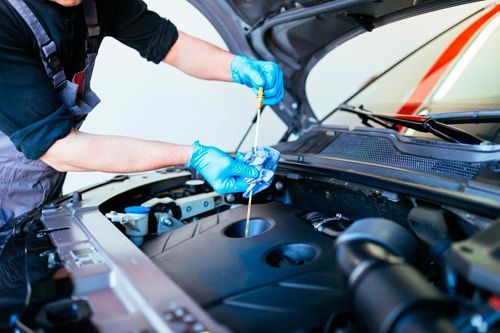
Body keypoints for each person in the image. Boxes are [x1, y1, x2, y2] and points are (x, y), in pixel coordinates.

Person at [0, 0, 285, 234]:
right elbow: (59, 148)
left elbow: (171, 45)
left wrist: (237, 66)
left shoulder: (95, 4)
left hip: (40, 188)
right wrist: (194, 156)